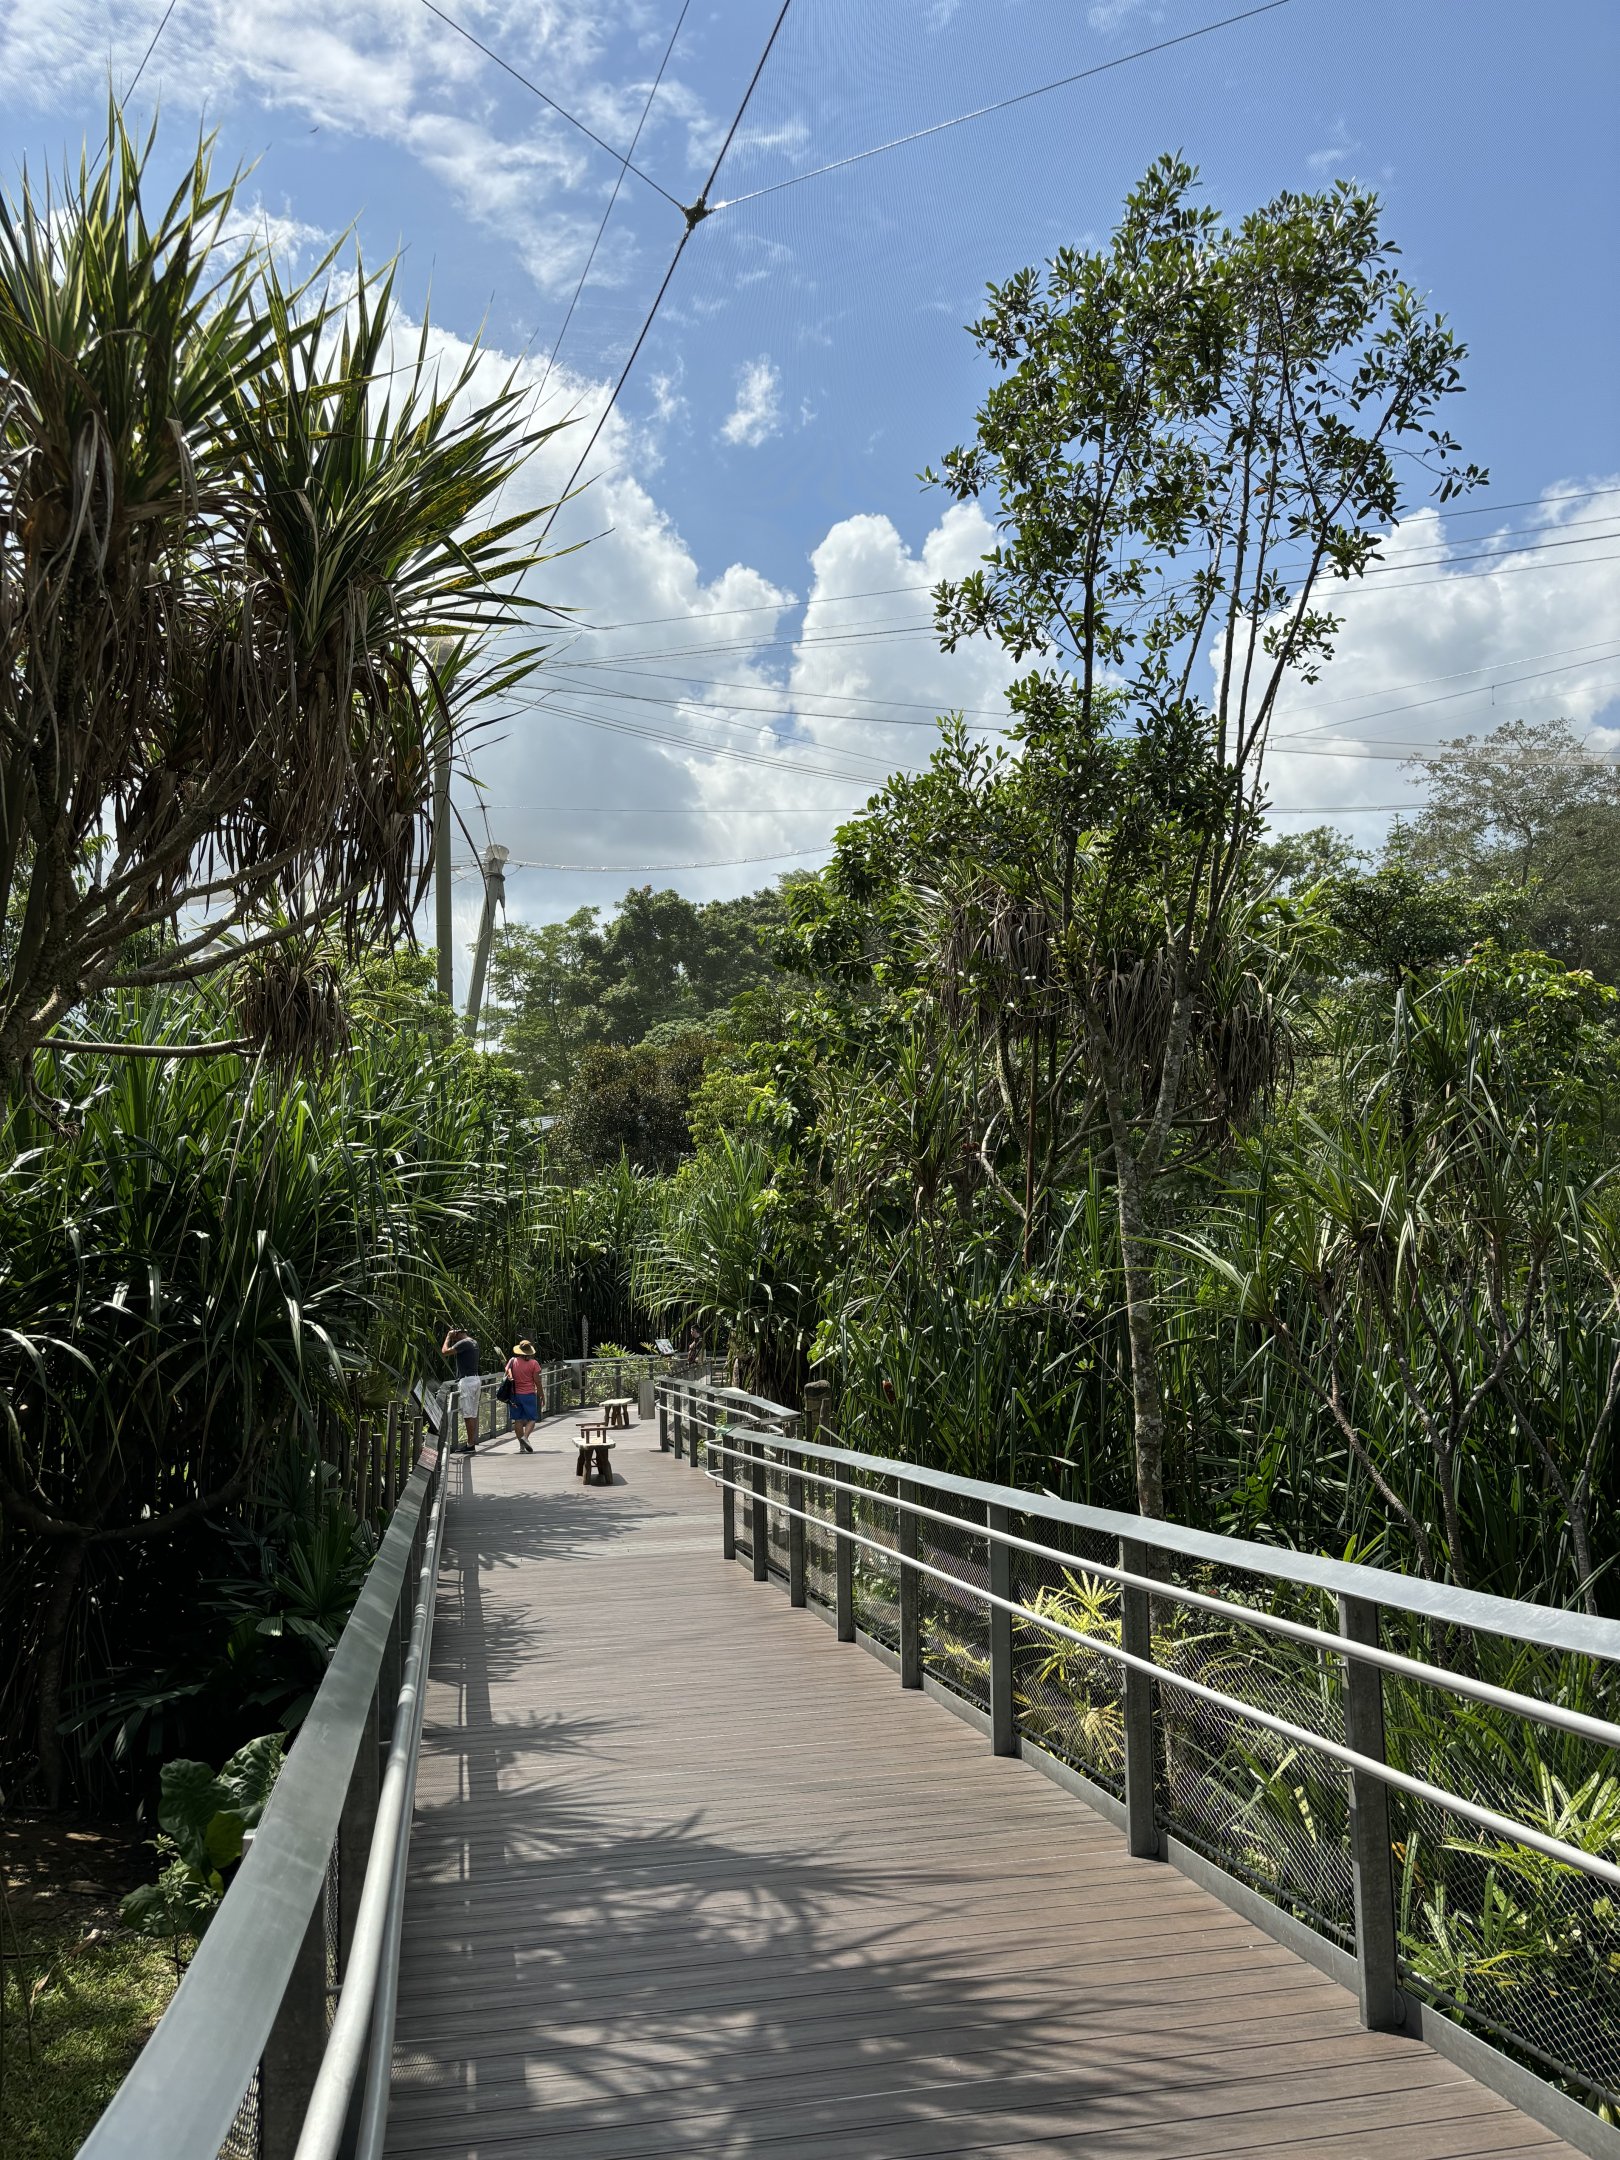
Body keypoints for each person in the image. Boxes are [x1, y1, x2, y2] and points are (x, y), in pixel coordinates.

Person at [441, 1326, 481, 1452]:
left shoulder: (463, 1343)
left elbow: (445, 1352)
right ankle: (472, 1442)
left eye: (455, 1334)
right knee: (473, 1413)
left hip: (467, 1382)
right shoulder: (473, 1342)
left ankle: (470, 1445)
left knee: (468, 1415)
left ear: (458, 1333)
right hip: (476, 1379)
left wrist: (448, 1336)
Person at [505, 1339, 541, 1452]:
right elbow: (537, 1381)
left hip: (515, 1395)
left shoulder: (512, 1361)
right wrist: (541, 1393)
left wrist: (511, 1374)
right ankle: (525, 1437)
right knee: (532, 1418)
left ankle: (521, 1446)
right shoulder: (534, 1363)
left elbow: (507, 1371)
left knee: (518, 1420)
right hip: (529, 1394)